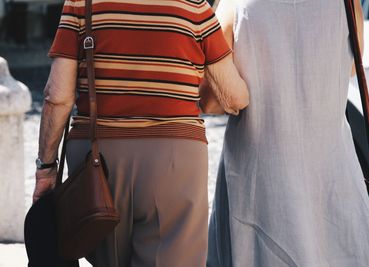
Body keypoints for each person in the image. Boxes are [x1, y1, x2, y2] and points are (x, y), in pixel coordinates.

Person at [32, 0, 249, 266]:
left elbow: (57, 97)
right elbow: (234, 97)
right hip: (174, 162)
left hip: (97, 162)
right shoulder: (194, 8)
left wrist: (45, 169)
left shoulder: (82, 4)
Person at [207, 0, 369, 266]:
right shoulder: (346, 5)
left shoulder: (237, 4)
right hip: (333, 188)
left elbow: (212, 99)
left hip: (261, 193)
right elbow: (351, 67)